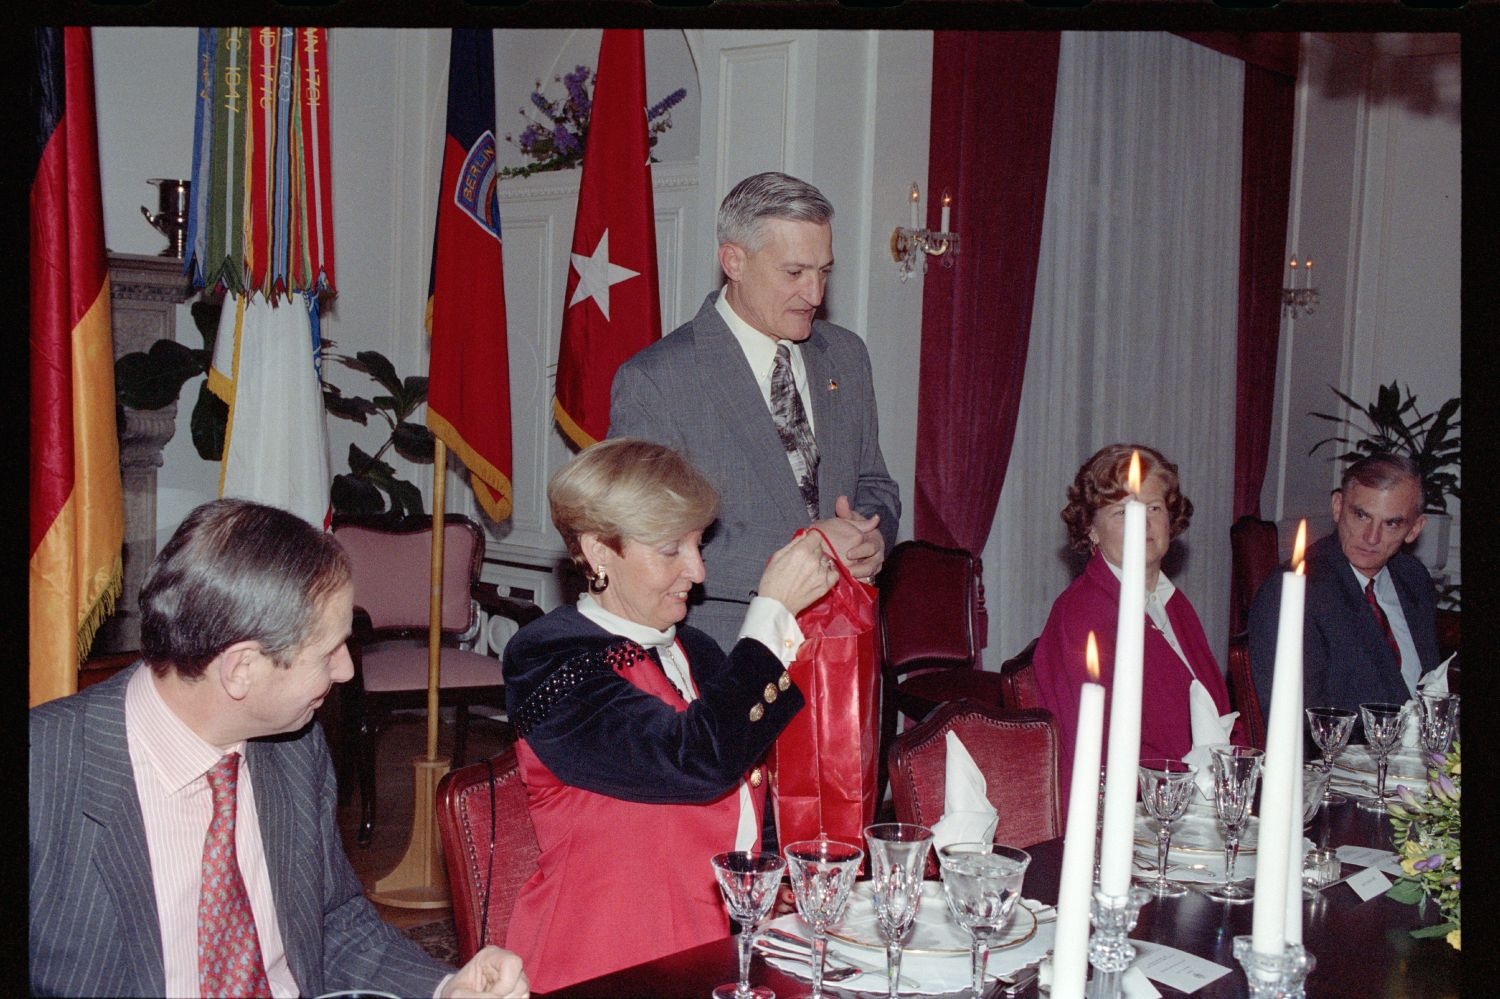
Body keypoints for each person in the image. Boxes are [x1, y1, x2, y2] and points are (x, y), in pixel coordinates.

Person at [30, 499, 530, 999]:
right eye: (327, 652)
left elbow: (330, 921)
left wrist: (444, 989)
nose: (346, 671)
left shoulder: (293, 746)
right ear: (241, 669)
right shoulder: (40, 774)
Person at [501, 439, 838, 993]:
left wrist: (769, 875)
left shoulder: (694, 650)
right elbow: (694, 758)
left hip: (711, 956)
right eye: (670, 549)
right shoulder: (548, 659)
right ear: (599, 551)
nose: (698, 570)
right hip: (601, 968)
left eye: (697, 544)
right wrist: (772, 612)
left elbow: (745, 766)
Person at [609, 170, 900, 652]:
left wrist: (873, 539)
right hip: (724, 656)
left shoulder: (847, 356)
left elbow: (874, 484)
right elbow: (640, 547)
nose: (815, 294)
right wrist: (811, 553)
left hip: (842, 650)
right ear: (734, 262)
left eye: (824, 271)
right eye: (795, 273)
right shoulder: (657, 380)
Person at [1033, 444, 1242, 805]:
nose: (1143, 523)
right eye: (1122, 512)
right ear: (1092, 530)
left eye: (1154, 508)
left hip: (1199, 803)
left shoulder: (1174, 605)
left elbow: (1219, 716)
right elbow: (1106, 753)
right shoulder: (1081, 616)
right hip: (1130, 816)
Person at [1249, 453, 1439, 724]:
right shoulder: (1298, 590)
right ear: (1338, 507)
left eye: (1391, 523)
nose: (1371, 537)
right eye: (1361, 515)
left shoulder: (1413, 579)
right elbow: (1298, 725)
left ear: (1414, 529)